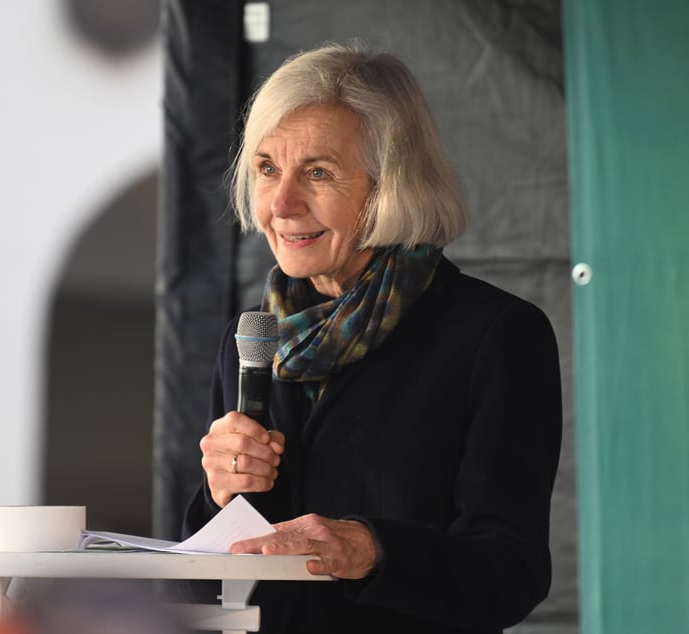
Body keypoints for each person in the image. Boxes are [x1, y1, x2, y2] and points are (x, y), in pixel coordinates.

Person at [182, 43, 562, 634]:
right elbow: (207, 581)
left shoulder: (495, 335)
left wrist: (372, 549)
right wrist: (220, 497)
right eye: (267, 169)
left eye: (318, 172)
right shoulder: (252, 336)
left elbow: (510, 573)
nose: (281, 204)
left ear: (390, 186)